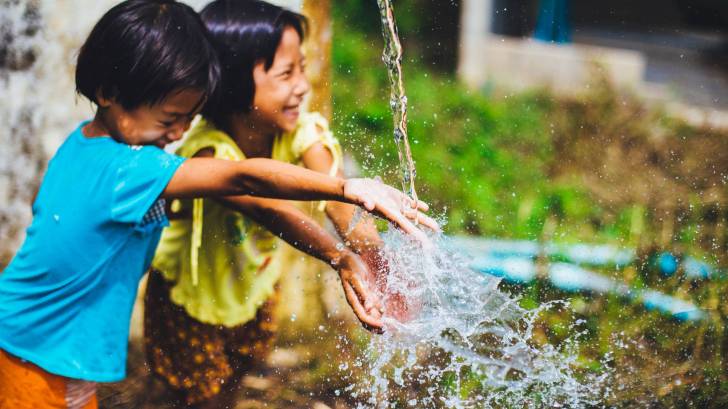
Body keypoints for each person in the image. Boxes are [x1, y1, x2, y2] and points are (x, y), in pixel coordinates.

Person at [0, 1, 433, 408]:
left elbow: (49, 211)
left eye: (190, 117)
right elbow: (244, 176)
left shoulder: (83, 142)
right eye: (170, 119)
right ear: (109, 91)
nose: (178, 133)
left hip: (47, 344)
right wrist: (346, 189)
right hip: (36, 349)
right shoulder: (131, 167)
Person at [143, 1, 433, 407]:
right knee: (193, 393)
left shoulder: (298, 130)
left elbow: (339, 198)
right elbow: (268, 208)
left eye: (302, 67)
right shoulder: (208, 153)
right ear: (232, 84)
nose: (302, 85)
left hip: (255, 284)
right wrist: (337, 256)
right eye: (286, 73)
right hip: (189, 297)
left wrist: (373, 255)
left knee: (239, 372)